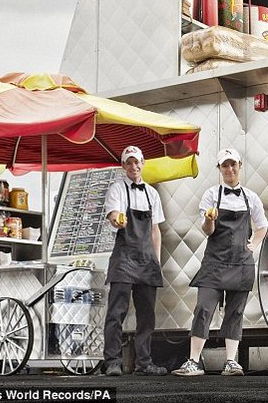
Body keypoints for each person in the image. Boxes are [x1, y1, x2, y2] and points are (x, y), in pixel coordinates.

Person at [173, 148, 268, 377]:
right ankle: (194, 362)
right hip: (215, 261)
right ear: (219, 169)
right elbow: (208, 231)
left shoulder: (251, 197)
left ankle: (231, 362)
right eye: (225, 165)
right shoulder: (211, 195)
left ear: (239, 166)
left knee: (235, 312)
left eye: (233, 164)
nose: (230, 169)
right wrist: (209, 219)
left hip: (241, 263)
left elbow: (262, 226)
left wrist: (254, 244)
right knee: (203, 308)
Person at [102, 145, 168, 377]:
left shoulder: (152, 193)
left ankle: (144, 363)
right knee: (116, 313)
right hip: (124, 258)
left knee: (147, 315)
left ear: (143, 163)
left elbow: (155, 230)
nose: (133, 166)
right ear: (123, 166)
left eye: (137, 161)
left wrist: (156, 261)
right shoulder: (117, 189)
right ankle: (112, 362)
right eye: (129, 162)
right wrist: (117, 220)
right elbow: (113, 215)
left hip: (148, 261)